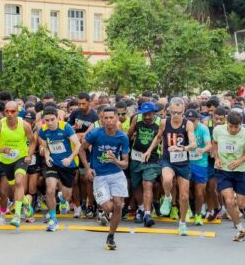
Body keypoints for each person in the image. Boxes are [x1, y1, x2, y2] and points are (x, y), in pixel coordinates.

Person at [82, 107, 130, 250]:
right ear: (101, 119)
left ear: (116, 119)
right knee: (108, 207)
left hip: (116, 174)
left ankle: (111, 236)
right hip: (100, 176)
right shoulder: (95, 134)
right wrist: (88, 167)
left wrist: (115, 160)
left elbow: (125, 164)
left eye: (111, 118)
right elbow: (81, 149)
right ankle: (102, 211)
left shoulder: (123, 137)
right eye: (105, 118)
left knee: (118, 205)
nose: (108, 121)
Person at [0, 100, 36, 228]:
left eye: (12, 111)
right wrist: (1, 150)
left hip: (21, 157)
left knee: (19, 182)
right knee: (14, 187)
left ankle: (17, 216)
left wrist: (29, 155)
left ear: (17, 112)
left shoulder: (24, 125)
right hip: (6, 160)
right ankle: (26, 202)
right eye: (7, 111)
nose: (9, 114)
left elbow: (33, 141)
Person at [156, 97, 197, 236]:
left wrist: (182, 148)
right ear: (169, 111)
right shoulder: (164, 122)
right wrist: (149, 151)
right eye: (173, 112)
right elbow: (158, 137)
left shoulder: (188, 124)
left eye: (179, 113)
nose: (175, 115)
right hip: (168, 160)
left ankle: (182, 223)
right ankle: (167, 197)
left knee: (184, 197)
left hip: (183, 161)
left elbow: (194, 144)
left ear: (183, 111)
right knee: (167, 180)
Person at [36, 105, 80, 232]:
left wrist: (70, 158)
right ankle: (53, 219)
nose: (49, 123)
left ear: (58, 118)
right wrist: (47, 156)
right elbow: (45, 146)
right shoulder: (43, 130)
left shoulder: (65, 127)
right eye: (46, 120)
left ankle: (61, 198)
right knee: (49, 189)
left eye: (52, 120)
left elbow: (78, 145)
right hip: (53, 163)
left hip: (68, 164)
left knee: (66, 196)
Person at [212, 109, 245, 242]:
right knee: (229, 201)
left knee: (240, 205)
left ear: (241, 124)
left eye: (237, 127)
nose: (234, 129)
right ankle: (240, 228)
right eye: (231, 126)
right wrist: (216, 158)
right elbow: (215, 143)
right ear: (226, 122)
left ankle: (235, 205)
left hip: (240, 171)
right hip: (223, 170)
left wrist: (239, 161)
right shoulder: (218, 130)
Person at [127, 101, 161, 228]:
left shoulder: (160, 122)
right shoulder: (137, 118)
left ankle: (147, 214)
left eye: (149, 114)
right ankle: (141, 208)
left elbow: (160, 139)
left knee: (147, 183)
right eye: (144, 114)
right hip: (136, 156)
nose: (147, 117)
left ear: (154, 113)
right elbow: (129, 134)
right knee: (136, 185)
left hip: (152, 158)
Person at [186, 108, 211, 227]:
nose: (191, 123)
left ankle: (198, 214)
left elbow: (209, 145)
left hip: (200, 163)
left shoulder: (203, 128)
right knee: (185, 190)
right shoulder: (183, 127)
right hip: (185, 162)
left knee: (200, 192)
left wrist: (203, 149)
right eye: (189, 120)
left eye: (194, 120)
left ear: (198, 120)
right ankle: (187, 210)